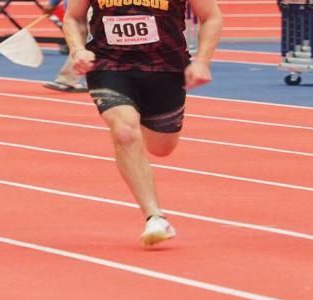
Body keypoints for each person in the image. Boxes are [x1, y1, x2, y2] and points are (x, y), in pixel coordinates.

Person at [63, 0, 222, 246]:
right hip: (109, 64)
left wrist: (202, 61)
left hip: (165, 67)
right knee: (125, 131)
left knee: (162, 147)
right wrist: (77, 50)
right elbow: (73, 17)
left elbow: (211, 16)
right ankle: (154, 217)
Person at [42, 0, 87, 92]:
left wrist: (53, 3)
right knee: (80, 43)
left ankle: (67, 80)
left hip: (89, 10)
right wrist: (53, 3)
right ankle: (68, 80)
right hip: (75, 11)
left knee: (84, 43)